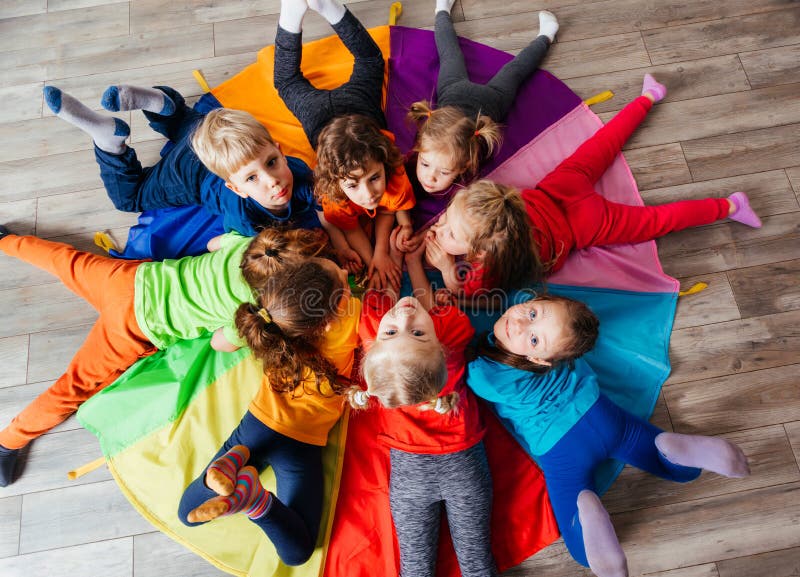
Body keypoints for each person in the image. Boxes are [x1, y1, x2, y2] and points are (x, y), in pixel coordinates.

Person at [0, 225, 345, 487]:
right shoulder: (250, 313)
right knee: (73, 387)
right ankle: (8, 442)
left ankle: (7, 240)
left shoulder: (249, 248)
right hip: (134, 327)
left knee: (67, 261)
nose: (341, 270)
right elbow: (218, 344)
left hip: (133, 279)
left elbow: (214, 244)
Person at [467, 293, 750, 577]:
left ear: (538, 360)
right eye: (531, 315)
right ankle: (672, 449)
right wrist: (529, 311)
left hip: (559, 446)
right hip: (601, 414)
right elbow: (526, 300)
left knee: (582, 552)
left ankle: (585, 509)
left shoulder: (484, 375)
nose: (518, 324)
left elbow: (459, 363)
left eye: (534, 340)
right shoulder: (563, 344)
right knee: (678, 468)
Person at [424, 75, 763, 296]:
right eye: (444, 222)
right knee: (602, 145)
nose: (439, 227)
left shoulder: (489, 267)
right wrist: (451, 229)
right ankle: (648, 97)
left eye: (449, 229)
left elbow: (469, 293)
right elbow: (475, 212)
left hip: (582, 224)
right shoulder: (491, 209)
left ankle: (731, 206)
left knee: (655, 221)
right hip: (557, 189)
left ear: (482, 251)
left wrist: (445, 268)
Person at [177, 257, 360, 567]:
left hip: (256, 426)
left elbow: (222, 341)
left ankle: (224, 475)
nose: (346, 272)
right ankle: (257, 503)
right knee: (298, 553)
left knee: (186, 515)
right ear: (330, 319)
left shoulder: (274, 314)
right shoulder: (354, 317)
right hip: (303, 445)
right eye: (344, 281)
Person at [343, 234, 496, 577]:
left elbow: (386, 288)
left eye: (393, 332)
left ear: (373, 347)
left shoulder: (371, 330)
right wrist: (411, 260)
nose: (405, 318)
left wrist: (395, 256)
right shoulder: (452, 334)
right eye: (415, 334)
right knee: (477, 563)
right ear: (440, 349)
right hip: (464, 467)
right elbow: (418, 304)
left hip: (410, 476)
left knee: (415, 567)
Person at [42, 84, 320, 236]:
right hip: (191, 173)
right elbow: (234, 243)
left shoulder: (295, 168)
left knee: (190, 123)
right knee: (130, 199)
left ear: (280, 151)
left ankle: (161, 103)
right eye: (252, 179)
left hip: (210, 132)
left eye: (271, 162)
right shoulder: (244, 216)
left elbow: (317, 190)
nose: (272, 181)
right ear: (234, 188)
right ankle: (107, 140)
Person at [274, 0, 416, 289]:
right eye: (353, 185)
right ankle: (309, 10)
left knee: (290, 82)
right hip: (322, 114)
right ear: (337, 183)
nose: (368, 195)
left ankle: (312, 10)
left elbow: (387, 207)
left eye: (374, 178)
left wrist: (379, 254)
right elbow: (351, 228)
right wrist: (376, 258)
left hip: (355, 111)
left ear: (383, 164)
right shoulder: (333, 193)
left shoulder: (391, 164)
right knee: (369, 61)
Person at [406, 2, 558, 230]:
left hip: (488, 100)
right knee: (449, 55)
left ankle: (546, 36)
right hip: (454, 93)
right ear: (419, 151)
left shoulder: (473, 164)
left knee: (514, 71)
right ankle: (442, 10)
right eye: (425, 164)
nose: (430, 178)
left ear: (464, 166)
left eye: (444, 172)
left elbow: (461, 207)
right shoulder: (423, 145)